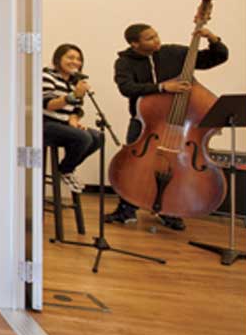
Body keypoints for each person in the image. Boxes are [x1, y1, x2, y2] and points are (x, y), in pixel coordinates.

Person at [105, 22, 229, 231]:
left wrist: (212, 38)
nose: (157, 40)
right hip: (145, 123)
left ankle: (170, 210)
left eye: (156, 35)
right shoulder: (124, 62)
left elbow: (216, 58)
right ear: (135, 44)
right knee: (134, 167)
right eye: (149, 38)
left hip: (181, 128)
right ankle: (126, 209)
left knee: (175, 168)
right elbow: (127, 88)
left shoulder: (174, 53)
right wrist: (162, 87)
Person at [42, 43, 102, 193]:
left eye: (78, 59)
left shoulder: (74, 82)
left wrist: (74, 120)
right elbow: (48, 104)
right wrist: (73, 95)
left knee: (97, 136)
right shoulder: (47, 76)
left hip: (63, 125)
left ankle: (66, 169)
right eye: (70, 57)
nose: (75, 62)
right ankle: (66, 171)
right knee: (84, 138)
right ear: (58, 59)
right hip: (46, 124)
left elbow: (76, 109)